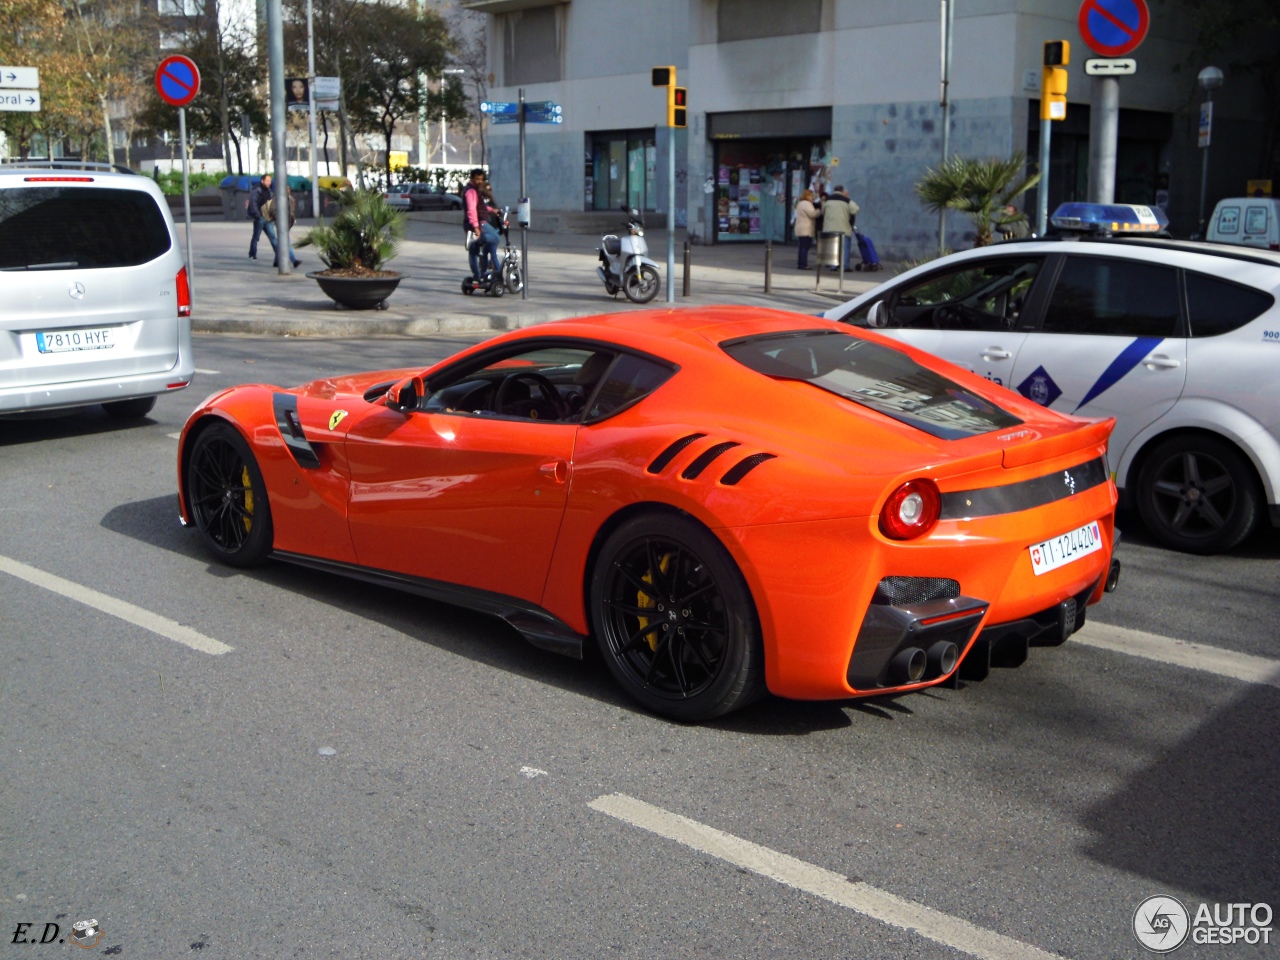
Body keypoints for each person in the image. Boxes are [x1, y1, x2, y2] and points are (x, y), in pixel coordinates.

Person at [462, 168, 500, 280]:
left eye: (481, 179)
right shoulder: (471, 191)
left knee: (474, 251)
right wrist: (476, 227)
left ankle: (477, 277)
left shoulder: (472, 190)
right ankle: (479, 238)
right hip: (478, 223)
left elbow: (480, 206)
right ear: (472, 178)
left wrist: (492, 210)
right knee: (495, 238)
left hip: (469, 223)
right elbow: (472, 209)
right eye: (477, 179)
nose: (479, 181)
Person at [820, 185, 860, 271]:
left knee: (832, 248)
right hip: (843, 228)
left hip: (829, 228)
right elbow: (856, 209)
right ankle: (845, 266)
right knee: (845, 248)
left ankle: (833, 266)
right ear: (842, 191)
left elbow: (822, 211)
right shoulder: (846, 200)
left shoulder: (827, 199)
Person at [261, 186, 301, 268]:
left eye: (288, 189)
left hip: (288, 223)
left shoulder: (291, 199)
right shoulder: (277, 199)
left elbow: (291, 211)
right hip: (281, 223)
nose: (287, 191)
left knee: (280, 243)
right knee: (286, 242)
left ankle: (276, 261)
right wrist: (279, 218)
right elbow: (272, 209)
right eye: (286, 189)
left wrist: (292, 219)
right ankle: (294, 260)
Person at [246, 174, 277, 262]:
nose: (269, 183)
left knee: (273, 238)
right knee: (256, 237)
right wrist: (258, 215)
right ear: (262, 181)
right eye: (267, 181)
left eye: (270, 181)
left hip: (268, 218)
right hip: (260, 218)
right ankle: (252, 254)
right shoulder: (256, 190)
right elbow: (253, 203)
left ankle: (278, 255)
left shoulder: (269, 191)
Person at [793, 189, 819, 269]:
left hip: (801, 228)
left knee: (802, 247)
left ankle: (801, 263)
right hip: (806, 228)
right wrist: (819, 211)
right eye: (811, 196)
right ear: (807, 196)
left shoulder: (800, 203)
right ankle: (803, 264)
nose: (812, 198)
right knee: (805, 247)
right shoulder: (807, 204)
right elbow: (812, 214)